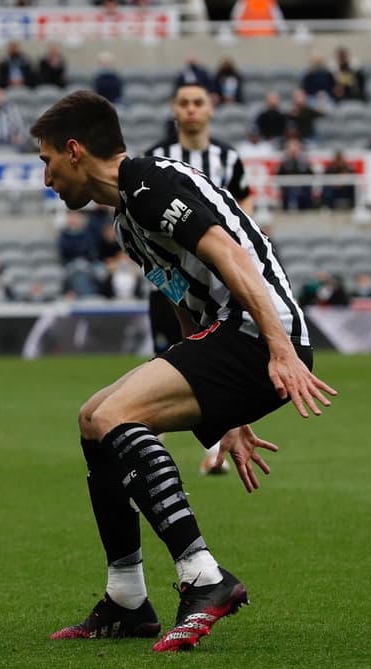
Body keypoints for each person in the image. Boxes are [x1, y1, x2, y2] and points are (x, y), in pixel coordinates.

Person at [29, 90, 335, 652]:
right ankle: (127, 598)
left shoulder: (149, 184)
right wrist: (225, 413)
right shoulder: (127, 221)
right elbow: (183, 302)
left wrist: (279, 349)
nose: (46, 177)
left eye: (47, 160)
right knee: (93, 418)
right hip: (229, 335)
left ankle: (204, 577)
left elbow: (232, 256)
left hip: (256, 332)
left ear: (74, 151)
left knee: (117, 415)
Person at [145, 81, 254, 476]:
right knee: (169, 356)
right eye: (184, 103)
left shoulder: (228, 158)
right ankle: (151, 438)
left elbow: (244, 202)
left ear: (210, 109)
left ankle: (214, 449)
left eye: (198, 102)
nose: (191, 109)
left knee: (210, 362)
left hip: (218, 285)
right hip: (171, 280)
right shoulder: (156, 158)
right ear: (175, 110)